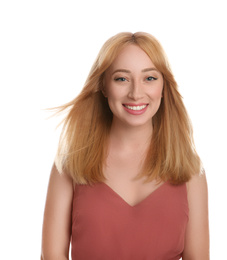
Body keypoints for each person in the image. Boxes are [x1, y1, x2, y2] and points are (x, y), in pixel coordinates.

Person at [41, 32, 209, 260]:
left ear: (164, 86)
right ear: (103, 85)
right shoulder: (71, 164)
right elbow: (51, 256)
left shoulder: (189, 169)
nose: (136, 93)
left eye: (149, 78)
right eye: (122, 78)